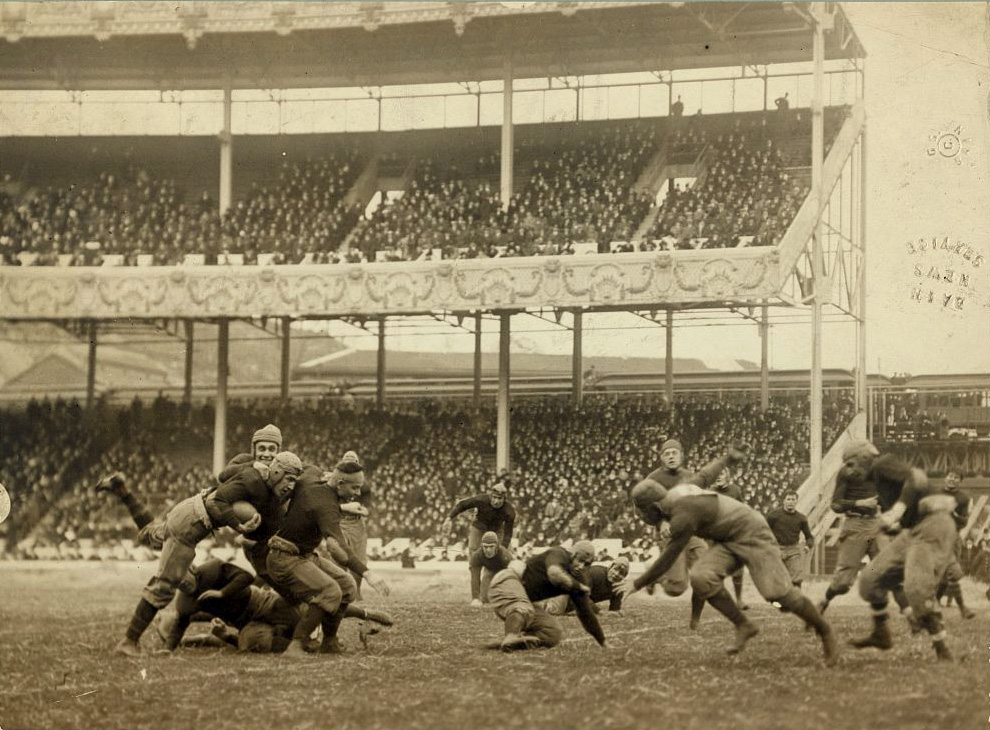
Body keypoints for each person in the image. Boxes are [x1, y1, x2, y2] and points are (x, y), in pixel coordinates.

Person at [620, 480, 838, 666]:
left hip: (753, 534)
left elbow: (669, 557)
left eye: (643, 510)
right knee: (700, 577)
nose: (641, 516)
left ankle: (824, 629)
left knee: (777, 595)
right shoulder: (676, 495)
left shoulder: (683, 515)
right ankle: (744, 625)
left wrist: (637, 583)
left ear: (656, 505)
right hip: (728, 539)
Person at [113, 451, 303, 657]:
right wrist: (239, 526)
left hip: (188, 514)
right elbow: (217, 501)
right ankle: (128, 641)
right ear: (275, 470)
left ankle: (123, 491)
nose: (290, 486)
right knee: (165, 584)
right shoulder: (253, 479)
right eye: (289, 479)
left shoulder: (261, 484)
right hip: (192, 524)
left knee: (151, 536)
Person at [267, 453, 391, 657]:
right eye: (354, 487)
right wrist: (367, 573)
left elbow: (302, 467)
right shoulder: (327, 506)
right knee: (331, 591)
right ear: (340, 483)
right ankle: (296, 644)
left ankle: (329, 641)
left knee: (348, 586)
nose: (357, 493)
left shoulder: (312, 476)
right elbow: (337, 549)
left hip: (302, 555)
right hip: (284, 558)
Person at [850, 463, 971, 661]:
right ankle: (881, 633)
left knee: (917, 589)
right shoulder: (873, 488)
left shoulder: (884, 465)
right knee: (870, 578)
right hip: (911, 532)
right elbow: (907, 518)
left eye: (852, 464)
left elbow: (917, 477)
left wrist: (896, 511)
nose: (850, 471)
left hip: (933, 528)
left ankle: (941, 647)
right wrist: (893, 525)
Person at [644, 438, 749, 626]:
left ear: (681, 455)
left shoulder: (689, 476)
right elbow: (643, 506)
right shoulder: (653, 479)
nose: (671, 457)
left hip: (692, 533)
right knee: (676, 588)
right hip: (671, 534)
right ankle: (654, 576)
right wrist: (660, 522)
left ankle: (695, 620)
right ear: (661, 457)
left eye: (674, 453)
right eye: (666, 454)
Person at [817, 441, 915, 620]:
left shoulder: (880, 471)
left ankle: (909, 613)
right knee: (843, 582)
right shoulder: (846, 473)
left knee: (889, 568)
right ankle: (824, 601)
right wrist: (858, 503)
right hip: (855, 524)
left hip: (876, 524)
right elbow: (835, 504)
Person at [486, 540, 606, 652]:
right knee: (523, 608)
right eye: (580, 560)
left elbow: (586, 614)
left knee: (552, 633)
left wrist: (603, 642)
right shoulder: (559, 553)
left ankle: (513, 643)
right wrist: (578, 586)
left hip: (524, 598)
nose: (581, 566)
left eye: (586, 564)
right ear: (572, 554)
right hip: (507, 581)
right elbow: (554, 574)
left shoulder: (578, 579)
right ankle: (511, 635)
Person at [442, 480, 516, 605]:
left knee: (496, 558)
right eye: (494, 497)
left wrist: (502, 549)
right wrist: (449, 518)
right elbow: (462, 504)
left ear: (504, 499)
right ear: (490, 496)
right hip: (479, 528)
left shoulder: (509, 511)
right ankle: (475, 596)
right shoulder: (481, 500)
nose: (496, 501)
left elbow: (508, 533)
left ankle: (487, 590)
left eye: (500, 498)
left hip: (496, 530)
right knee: (475, 561)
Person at [935, 470, 975, 619]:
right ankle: (957, 606)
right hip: (934, 536)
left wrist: (953, 514)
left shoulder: (963, 498)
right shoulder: (935, 493)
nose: (952, 479)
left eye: (956, 477)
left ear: (960, 481)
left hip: (952, 536)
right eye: (950, 476)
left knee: (952, 573)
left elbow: (964, 522)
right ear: (945, 478)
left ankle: (939, 601)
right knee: (936, 571)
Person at [545, 557, 629, 616]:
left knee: (564, 611)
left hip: (573, 602)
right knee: (553, 611)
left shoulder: (618, 588)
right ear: (610, 567)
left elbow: (613, 611)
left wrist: (616, 612)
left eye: (621, 573)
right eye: (615, 569)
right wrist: (599, 611)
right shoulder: (596, 573)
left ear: (624, 577)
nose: (616, 574)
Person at [766, 492, 814, 588]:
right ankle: (776, 602)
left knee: (796, 579)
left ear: (796, 501)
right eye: (788, 499)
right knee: (777, 579)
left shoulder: (801, 518)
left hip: (793, 550)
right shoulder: (773, 516)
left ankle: (796, 602)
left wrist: (808, 545)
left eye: (793, 499)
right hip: (777, 549)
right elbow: (763, 530)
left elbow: (809, 536)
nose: (790, 502)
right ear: (784, 501)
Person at [468, 531, 513, 607]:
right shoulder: (477, 556)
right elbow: (475, 577)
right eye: (485, 547)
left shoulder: (505, 556)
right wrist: (475, 598)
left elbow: (512, 576)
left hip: (503, 572)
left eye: (491, 546)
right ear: (481, 546)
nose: (488, 550)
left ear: (497, 546)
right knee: (485, 599)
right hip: (489, 570)